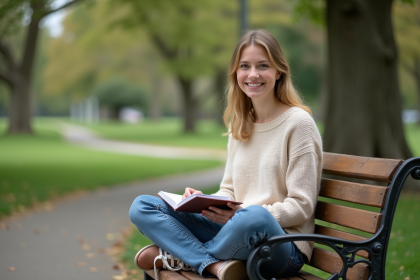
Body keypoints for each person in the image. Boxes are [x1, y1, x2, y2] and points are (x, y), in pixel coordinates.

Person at [129, 29, 323, 280]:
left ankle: (185, 258)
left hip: (281, 246)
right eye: (245, 66)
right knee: (143, 206)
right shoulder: (240, 125)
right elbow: (229, 191)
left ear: (279, 71)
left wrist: (240, 215)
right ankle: (213, 265)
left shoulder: (299, 124)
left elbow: (301, 207)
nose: (253, 74)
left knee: (255, 216)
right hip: (232, 231)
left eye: (262, 65)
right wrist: (203, 202)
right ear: (236, 73)